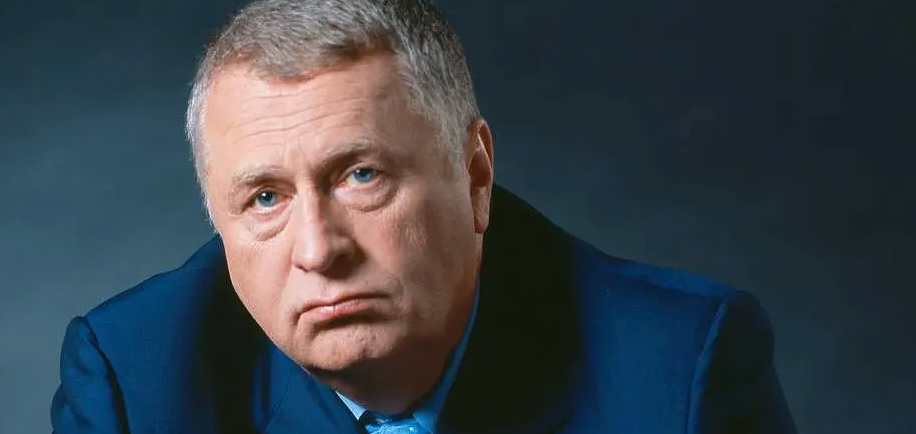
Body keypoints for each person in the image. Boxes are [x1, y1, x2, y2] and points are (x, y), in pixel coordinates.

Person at [49, 0, 796, 433]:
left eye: (361, 176)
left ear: (475, 175)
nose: (318, 250)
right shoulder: (135, 387)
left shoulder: (678, 373)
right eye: (265, 198)